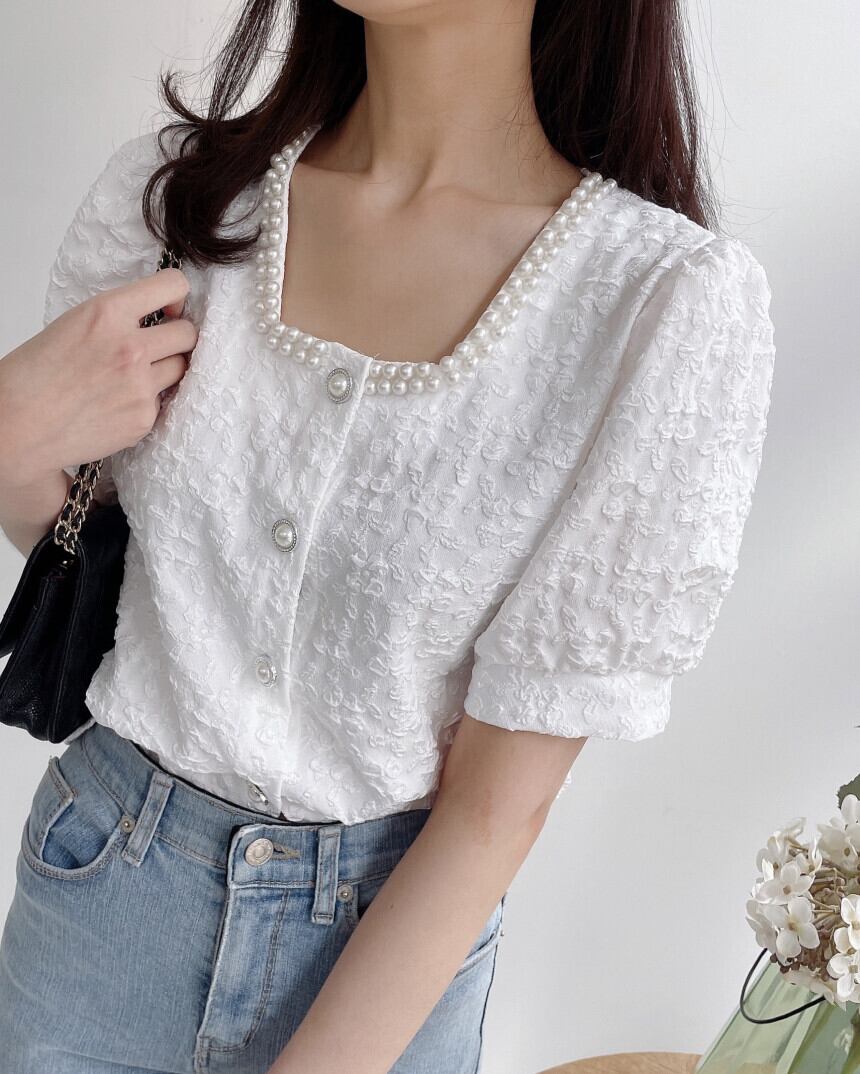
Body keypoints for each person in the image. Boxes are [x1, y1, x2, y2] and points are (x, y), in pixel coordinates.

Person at [0, 1, 777, 1072]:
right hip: (99, 902)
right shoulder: (181, 203)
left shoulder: (656, 304)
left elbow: (494, 811)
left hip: (385, 964)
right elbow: (108, 589)